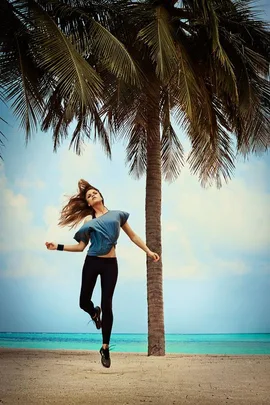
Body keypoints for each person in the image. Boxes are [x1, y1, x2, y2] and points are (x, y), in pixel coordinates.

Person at [45, 179, 160, 368]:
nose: (92, 195)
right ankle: (93, 312)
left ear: (100, 196)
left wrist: (148, 251)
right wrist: (56, 246)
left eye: (94, 193)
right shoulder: (89, 221)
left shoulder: (117, 215)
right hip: (92, 261)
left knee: (107, 304)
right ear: (88, 203)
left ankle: (105, 347)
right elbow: (81, 247)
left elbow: (133, 236)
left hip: (110, 265)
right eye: (89, 196)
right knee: (83, 301)